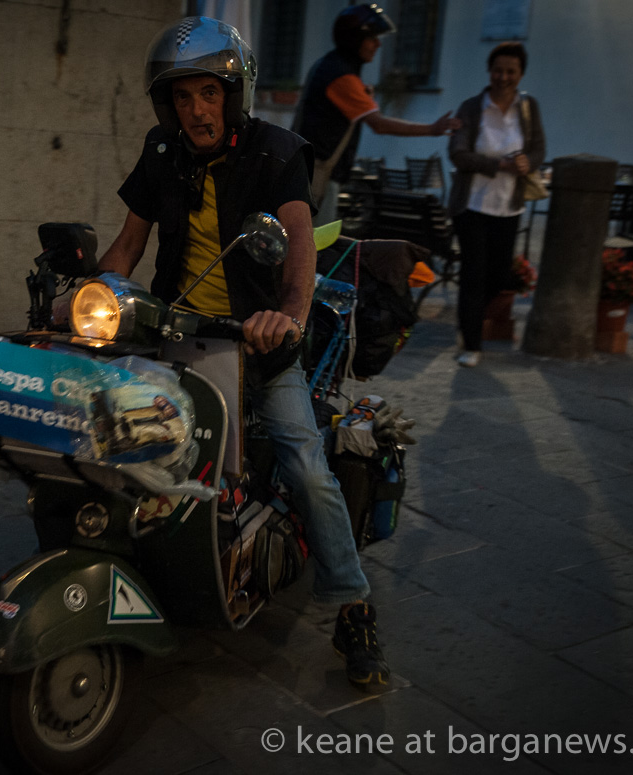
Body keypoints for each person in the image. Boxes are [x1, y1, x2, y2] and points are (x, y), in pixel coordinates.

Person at [97, 16, 389, 690]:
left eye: (207, 94)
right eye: (181, 96)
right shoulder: (162, 151)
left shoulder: (277, 150)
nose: (195, 110)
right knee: (115, 434)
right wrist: (83, 295)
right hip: (174, 329)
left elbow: (299, 240)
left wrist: (286, 315)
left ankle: (352, 601)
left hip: (255, 339)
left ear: (233, 93)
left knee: (304, 460)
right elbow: (127, 246)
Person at [294, 3, 461, 225]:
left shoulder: (329, 65)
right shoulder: (342, 77)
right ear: (355, 40)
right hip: (317, 175)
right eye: (372, 38)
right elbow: (379, 124)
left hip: (308, 169)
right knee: (313, 244)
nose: (378, 44)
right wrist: (432, 129)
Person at [447, 41, 545, 367]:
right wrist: (498, 165)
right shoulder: (472, 108)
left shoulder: (528, 108)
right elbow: (458, 154)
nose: (504, 76)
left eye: (511, 71)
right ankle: (471, 344)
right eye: (498, 70)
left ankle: (470, 319)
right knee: (474, 274)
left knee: (500, 275)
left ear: (520, 74)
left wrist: (526, 163)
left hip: (509, 206)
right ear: (490, 72)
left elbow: (538, 149)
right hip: (473, 204)